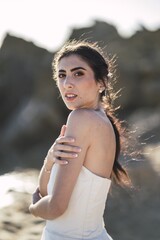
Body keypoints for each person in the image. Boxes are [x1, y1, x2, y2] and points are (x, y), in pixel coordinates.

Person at [29, 40, 129, 240]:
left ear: (102, 82)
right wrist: (50, 159)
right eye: (62, 75)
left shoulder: (82, 118)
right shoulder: (102, 120)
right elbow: (44, 189)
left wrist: (33, 208)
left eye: (78, 73)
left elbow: (56, 207)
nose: (67, 83)